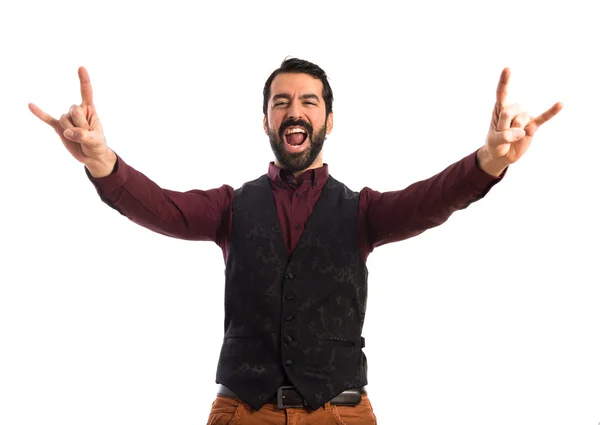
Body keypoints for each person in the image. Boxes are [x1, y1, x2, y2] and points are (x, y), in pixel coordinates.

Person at [29, 58, 562, 425]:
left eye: (308, 101)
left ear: (329, 119)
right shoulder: (230, 206)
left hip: (341, 412)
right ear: (266, 119)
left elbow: (432, 199)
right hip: (243, 413)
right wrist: (100, 158)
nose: (294, 111)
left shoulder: (364, 212)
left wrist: (490, 159)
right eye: (281, 102)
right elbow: (162, 207)